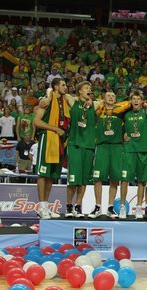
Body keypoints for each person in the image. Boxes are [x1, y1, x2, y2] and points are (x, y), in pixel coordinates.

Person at [33, 78, 70, 219]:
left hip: (59, 141)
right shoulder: (46, 101)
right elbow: (36, 121)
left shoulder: (64, 101)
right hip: (47, 138)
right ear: (55, 87)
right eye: (63, 85)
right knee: (43, 174)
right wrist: (55, 129)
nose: (66, 87)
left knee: (51, 176)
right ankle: (41, 205)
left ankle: (45, 206)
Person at [90, 91, 130, 219]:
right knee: (98, 178)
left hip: (117, 147)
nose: (111, 97)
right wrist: (100, 102)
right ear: (103, 98)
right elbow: (90, 104)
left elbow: (130, 103)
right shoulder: (98, 111)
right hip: (102, 147)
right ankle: (97, 207)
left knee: (114, 178)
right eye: (108, 95)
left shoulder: (120, 112)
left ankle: (110, 207)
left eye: (113, 96)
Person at [119, 90, 147, 219]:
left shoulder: (146, 112)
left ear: (142, 101)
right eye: (133, 99)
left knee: (142, 181)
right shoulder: (126, 114)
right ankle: (122, 207)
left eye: (138, 99)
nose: (135, 101)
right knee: (124, 179)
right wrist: (123, 135)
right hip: (129, 149)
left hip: (143, 149)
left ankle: (139, 207)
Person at [62, 81, 95, 218]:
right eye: (86, 88)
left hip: (88, 146)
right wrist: (79, 98)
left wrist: (92, 100)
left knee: (83, 180)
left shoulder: (95, 105)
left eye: (90, 88)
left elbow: (107, 103)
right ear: (80, 91)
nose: (89, 89)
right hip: (75, 144)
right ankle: (69, 206)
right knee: (73, 179)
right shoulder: (73, 101)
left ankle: (78, 206)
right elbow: (61, 92)